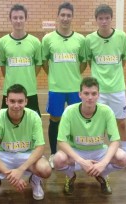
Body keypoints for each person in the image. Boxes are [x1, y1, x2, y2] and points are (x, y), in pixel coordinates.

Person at [85, 4, 126, 172]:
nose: (104, 21)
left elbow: (123, 60)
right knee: (97, 125)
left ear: (111, 18)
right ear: (96, 20)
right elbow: (88, 61)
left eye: (107, 18)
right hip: (98, 91)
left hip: (117, 89)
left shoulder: (121, 36)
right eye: (100, 18)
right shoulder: (89, 40)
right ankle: (96, 156)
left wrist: (113, 77)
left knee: (121, 123)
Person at [53, 76, 126, 195]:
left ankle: (103, 174)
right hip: (77, 151)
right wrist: (81, 161)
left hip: (98, 151)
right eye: (86, 93)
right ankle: (71, 176)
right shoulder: (69, 111)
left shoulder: (106, 111)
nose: (90, 97)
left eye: (94, 94)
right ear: (80, 94)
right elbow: (61, 141)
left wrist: (103, 164)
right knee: (57, 160)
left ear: (98, 95)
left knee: (123, 158)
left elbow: (115, 141)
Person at [0, 84, 52, 203]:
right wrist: (11, 175)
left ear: (26, 101)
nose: (16, 105)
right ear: (6, 101)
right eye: (12, 101)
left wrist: (21, 170)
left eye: (20, 101)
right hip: (4, 154)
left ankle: (35, 181)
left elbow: (40, 148)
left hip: (27, 153)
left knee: (46, 169)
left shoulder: (34, 117)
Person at [41, 2, 87, 167]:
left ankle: (76, 153)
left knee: (75, 121)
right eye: (63, 15)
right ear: (58, 16)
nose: (65, 18)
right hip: (56, 88)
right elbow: (45, 62)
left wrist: (74, 75)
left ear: (72, 17)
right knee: (55, 119)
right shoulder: (48, 39)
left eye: (69, 15)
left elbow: (83, 63)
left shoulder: (80, 39)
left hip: (75, 88)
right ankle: (53, 154)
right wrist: (55, 76)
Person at [0, 4, 42, 116]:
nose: (18, 21)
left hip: (30, 91)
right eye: (15, 18)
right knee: (8, 123)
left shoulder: (35, 42)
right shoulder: (2, 42)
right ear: (10, 19)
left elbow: (38, 65)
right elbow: (3, 67)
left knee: (33, 123)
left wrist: (28, 76)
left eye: (21, 17)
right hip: (9, 91)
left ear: (25, 19)